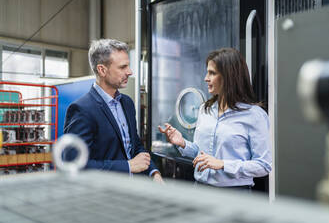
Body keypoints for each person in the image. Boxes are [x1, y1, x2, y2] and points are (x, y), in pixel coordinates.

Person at [159, 48, 271, 188]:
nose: (206, 78)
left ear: (229, 76)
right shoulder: (205, 109)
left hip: (233, 195)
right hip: (200, 189)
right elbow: (202, 155)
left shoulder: (255, 115)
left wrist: (223, 164)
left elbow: (264, 165)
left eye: (212, 73)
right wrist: (182, 143)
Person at [64, 39, 163, 183]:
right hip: (102, 195)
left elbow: (135, 145)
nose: (129, 72)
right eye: (123, 67)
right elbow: (74, 163)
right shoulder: (82, 110)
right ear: (102, 70)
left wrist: (153, 172)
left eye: (128, 66)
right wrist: (128, 166)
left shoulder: (127, 103)